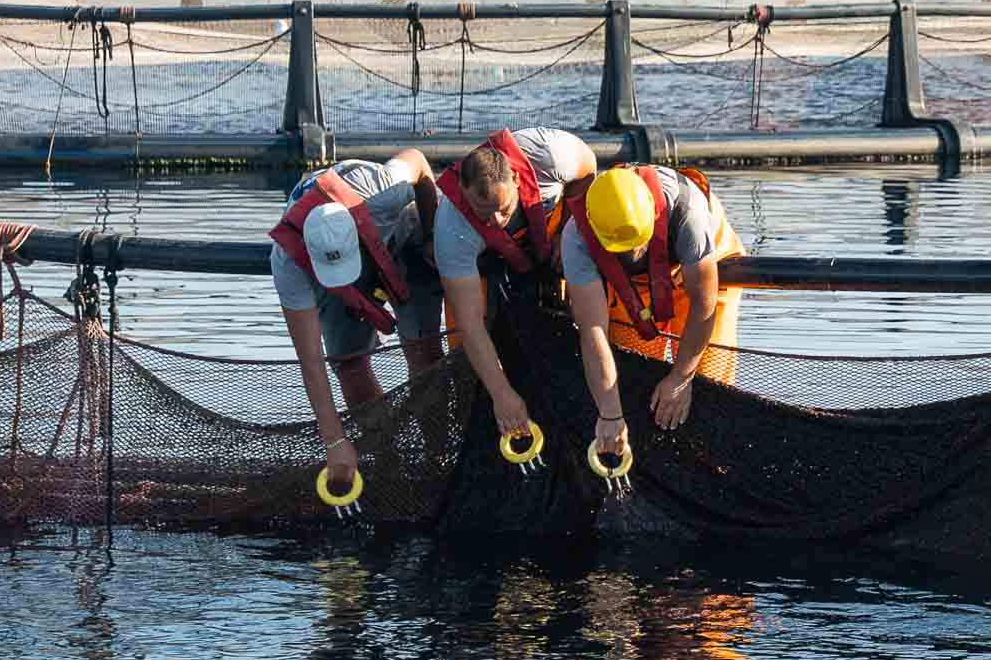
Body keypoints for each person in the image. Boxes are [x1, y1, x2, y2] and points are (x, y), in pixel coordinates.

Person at [268, 150, 441, 492]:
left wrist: (433, 234)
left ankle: (438, 457)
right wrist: (334, 442)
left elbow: (419, 163)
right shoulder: (288, 261)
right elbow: (311, 362)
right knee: (347, 362)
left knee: (422, 351)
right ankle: (388, 459)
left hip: (397, 237)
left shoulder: (384, 189)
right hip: (331, 262)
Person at [561, 165, 746, 454]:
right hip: (629, 285)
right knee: (634, 381)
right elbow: (592, 330)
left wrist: (681, 378)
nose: (630, 254)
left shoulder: (688, 212)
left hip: (701, 272)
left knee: (708, 382)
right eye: (621, 249)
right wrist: (610, 413)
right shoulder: (575, 237)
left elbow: (703, 303)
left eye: (635, 246)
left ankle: (711, 457)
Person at [433, 127, 598, 440]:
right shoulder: (451, 227)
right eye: (484, 212)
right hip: (485, 264)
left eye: (504, 209)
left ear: (518, 181)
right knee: (474, 363)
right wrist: (501, 394)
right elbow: (470, 323)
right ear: (465, 194)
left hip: (551, 239)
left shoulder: (551, 156)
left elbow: (588, 166)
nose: (495, 221)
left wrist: (570, 229)